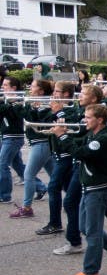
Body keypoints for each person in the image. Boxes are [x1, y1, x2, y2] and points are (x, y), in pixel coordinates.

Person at [52, 103, 107, 275]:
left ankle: (91, 271)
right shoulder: (91, 135)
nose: (84, 120)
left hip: (98, 190)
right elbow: (73, 145)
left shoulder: (104, 139)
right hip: (88, 189)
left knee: (93, 233)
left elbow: (80, 153)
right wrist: (62, 134)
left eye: (88, 118)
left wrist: (63, 136)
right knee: (84, 228)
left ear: (100, 120)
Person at [36, 81, 78, 235]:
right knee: (69, 189)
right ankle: (84, 214)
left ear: (66, 94)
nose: (53, 93)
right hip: (57, 154)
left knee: (53, 187)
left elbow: (73, 124)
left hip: (67, 154)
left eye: (57, 91)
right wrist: (37, 108)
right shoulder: (55, 107)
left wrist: (59, 112)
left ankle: (55, 223)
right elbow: (44, 121)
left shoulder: (73, 109)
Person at [9, 78, 54, 218]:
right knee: (56, 177)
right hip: (40, 143)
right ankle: (74, 199)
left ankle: (27, 208)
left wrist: (24, 107)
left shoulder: (44, 103)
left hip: (41, 142)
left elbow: (33, 120)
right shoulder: (34, 101)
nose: (30, 88)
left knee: (28, 175)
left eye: (33, 86)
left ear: (41, 91)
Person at [0, 76, 33, 205]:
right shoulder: (6, 100)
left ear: (13, 88)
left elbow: (16, 114)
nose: (3, 87)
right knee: (18, 165)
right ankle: (41, 188)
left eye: (5, 85)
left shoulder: (17, 101)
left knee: (2, 165)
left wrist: (10, 103)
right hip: (7, 135)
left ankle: (5, 195)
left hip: (13, 136)